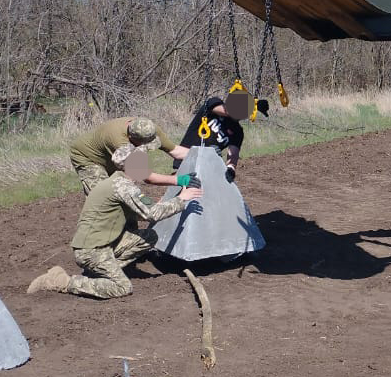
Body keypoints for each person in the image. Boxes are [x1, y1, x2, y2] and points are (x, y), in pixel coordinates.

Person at [28, 145, 203, 299]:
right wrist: (181, 198)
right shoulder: (122, 187)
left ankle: (103, 270)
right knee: (122, 288)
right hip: (91, 250)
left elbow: (146, 206)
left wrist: (175, 193)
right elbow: (152, 214)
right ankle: (63, 281)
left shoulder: (122, 183)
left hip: (104, 244)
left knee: (148, 236)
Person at [69, 116, 190, 194]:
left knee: (125, 191)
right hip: (88, 157)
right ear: (132, 139)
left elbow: (176, 151)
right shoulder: (119, 140)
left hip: (112, 156)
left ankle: (130, 227)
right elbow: (146, 176)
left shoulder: (149, 129)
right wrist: (178, 180)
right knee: (103, 196)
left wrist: (203, 156)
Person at [179, 96, 244, 180]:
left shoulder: (238, 131)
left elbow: (233, 154)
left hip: (206, 167)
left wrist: (231, 168)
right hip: (185, 159)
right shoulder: (214, 103)